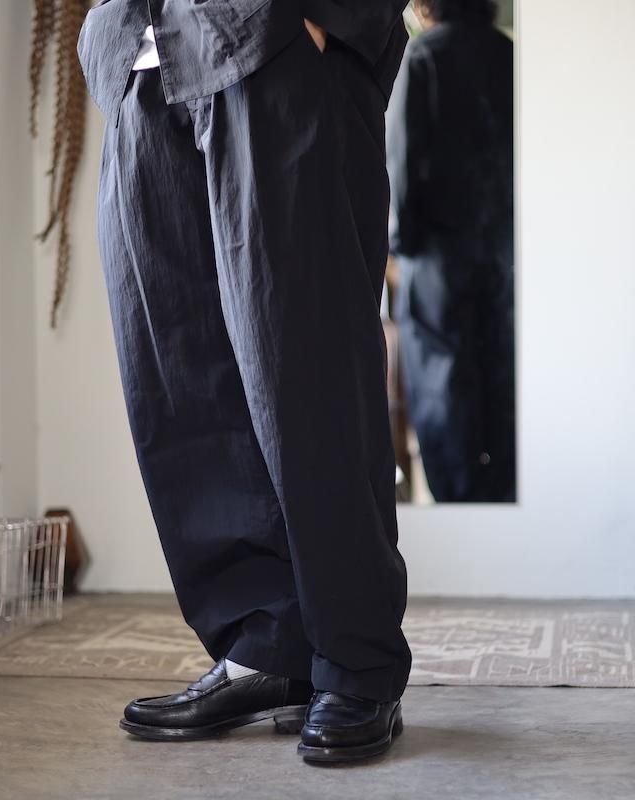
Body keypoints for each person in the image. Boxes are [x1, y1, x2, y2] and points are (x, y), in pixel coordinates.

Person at [77, 0, 412, 764]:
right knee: (180, 374)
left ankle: (357, 661)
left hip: (276, 34)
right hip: (143, 53)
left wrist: (334, 22)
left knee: (310, 366)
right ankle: (264, 647)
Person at [387, 0, 515, 502]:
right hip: (505, 257)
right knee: (499, 388)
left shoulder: (423, 59)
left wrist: (399, 246)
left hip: (437, 259)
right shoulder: (509, 56)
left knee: (444, 393)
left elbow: (402, 166)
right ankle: (502, 509)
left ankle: (459, 514)